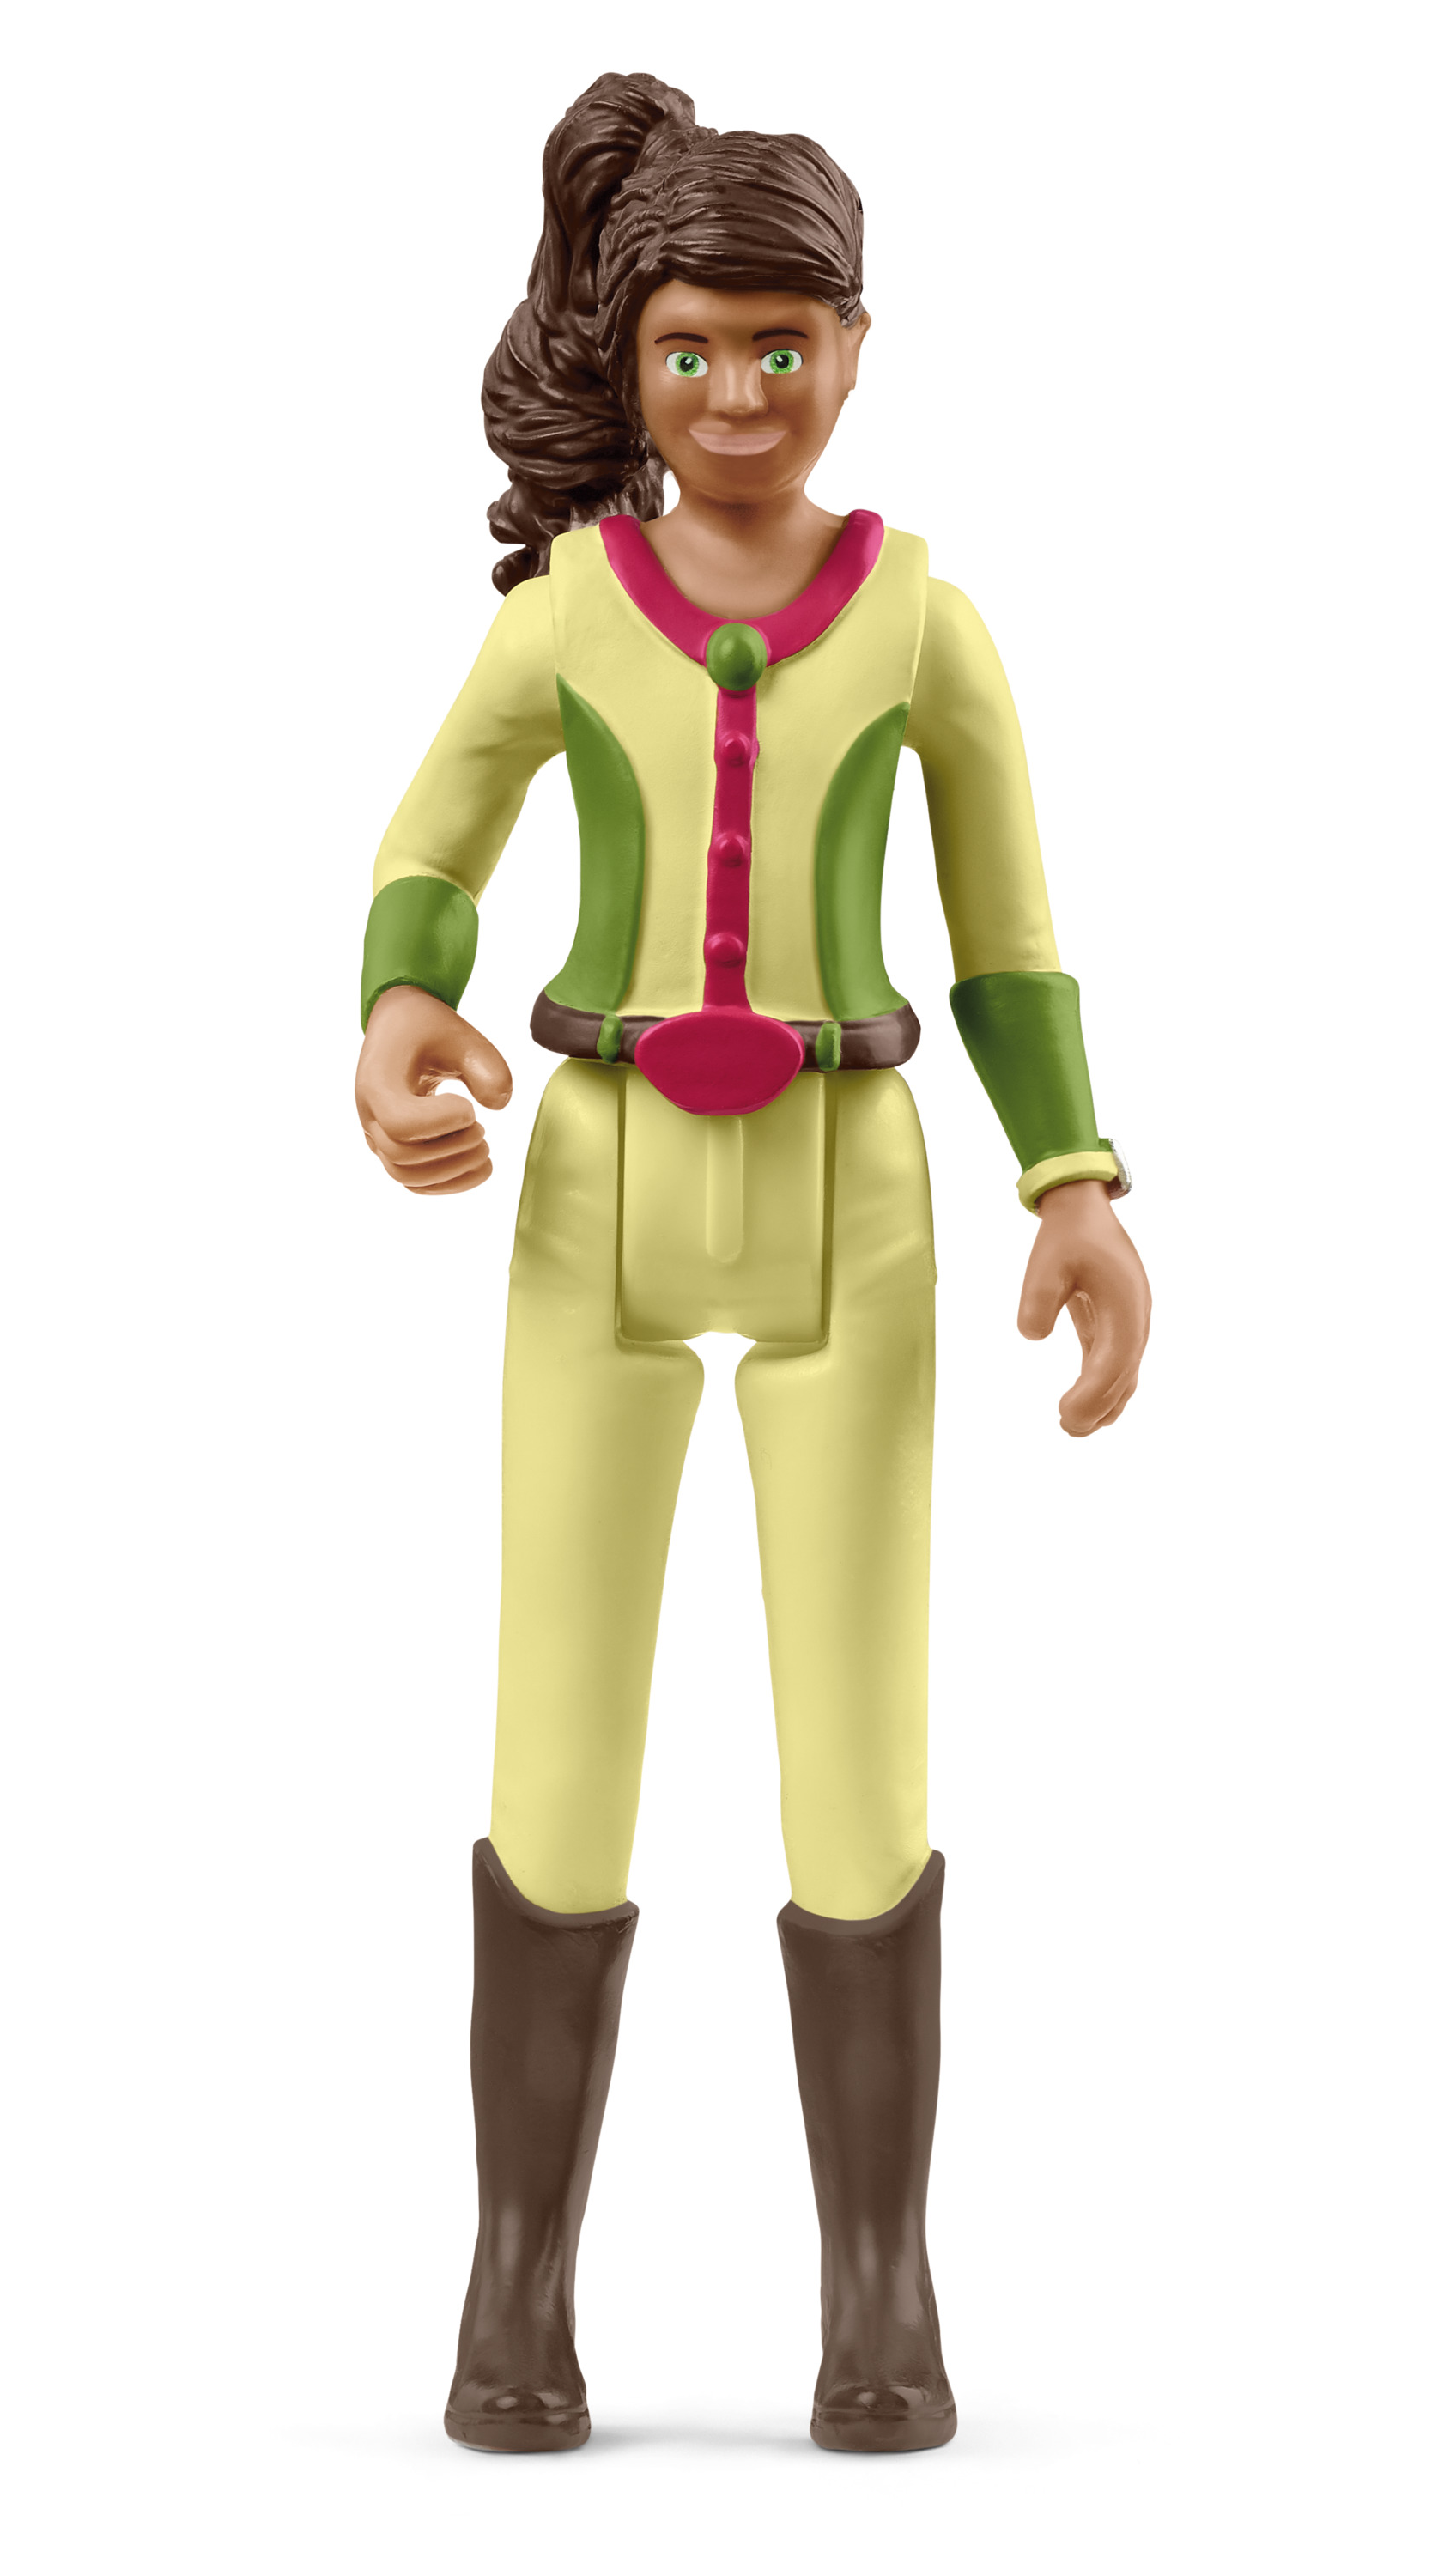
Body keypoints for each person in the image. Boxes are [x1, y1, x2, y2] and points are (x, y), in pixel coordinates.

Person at [351, 71, 1151, 2454]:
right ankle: (515, 2279)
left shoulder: (923, 625)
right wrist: (400, 1015)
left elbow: (1009, 940)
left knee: (859, 1740)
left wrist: (1074, 1180)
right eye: (691, 348)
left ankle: (881, 2286)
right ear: (630, 354)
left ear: (858, 349)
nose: (734, 393)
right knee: (560, 1728)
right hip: (596, 1179)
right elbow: (432, 844)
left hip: (848, 1186)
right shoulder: (565, 617)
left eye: (782, 347)